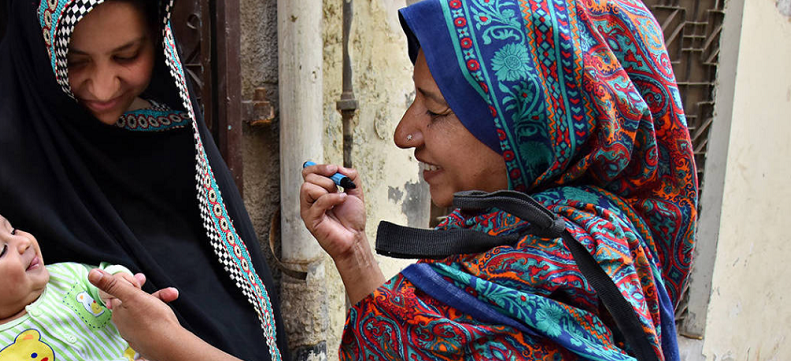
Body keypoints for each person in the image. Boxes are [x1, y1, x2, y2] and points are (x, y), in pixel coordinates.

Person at [0, 0, 286, 360]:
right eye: (75, 61)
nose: (102, 87)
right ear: (43, 52)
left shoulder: (167, 126)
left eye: (127, 55)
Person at [299, 0, 698, 359]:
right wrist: (354, 254)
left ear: (530, 127)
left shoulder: (568, 265)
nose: (403, 134)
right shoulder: (546, 229)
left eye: (436, 110)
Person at [0, 205, 174, 360]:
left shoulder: (67, 276)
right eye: (1, 251)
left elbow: (107, 277)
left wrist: (120, 285)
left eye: (12, 230)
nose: (22, 242)